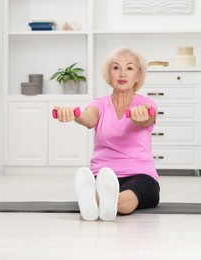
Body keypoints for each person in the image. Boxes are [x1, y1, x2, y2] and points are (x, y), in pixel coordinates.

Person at [54, 47, 160, 221]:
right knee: (102, 187)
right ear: (109, 74)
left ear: (138, 76)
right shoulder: (100, 103)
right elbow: (89, 119)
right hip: (102, 174)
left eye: (129, 68)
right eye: (116, 68)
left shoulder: (145, 103)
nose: (122, 73)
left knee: (133, 193)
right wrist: (75, 114)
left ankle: (100, 203)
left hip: (140, 174)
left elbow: (148, 117)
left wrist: (141, 116)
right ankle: (100, 201)